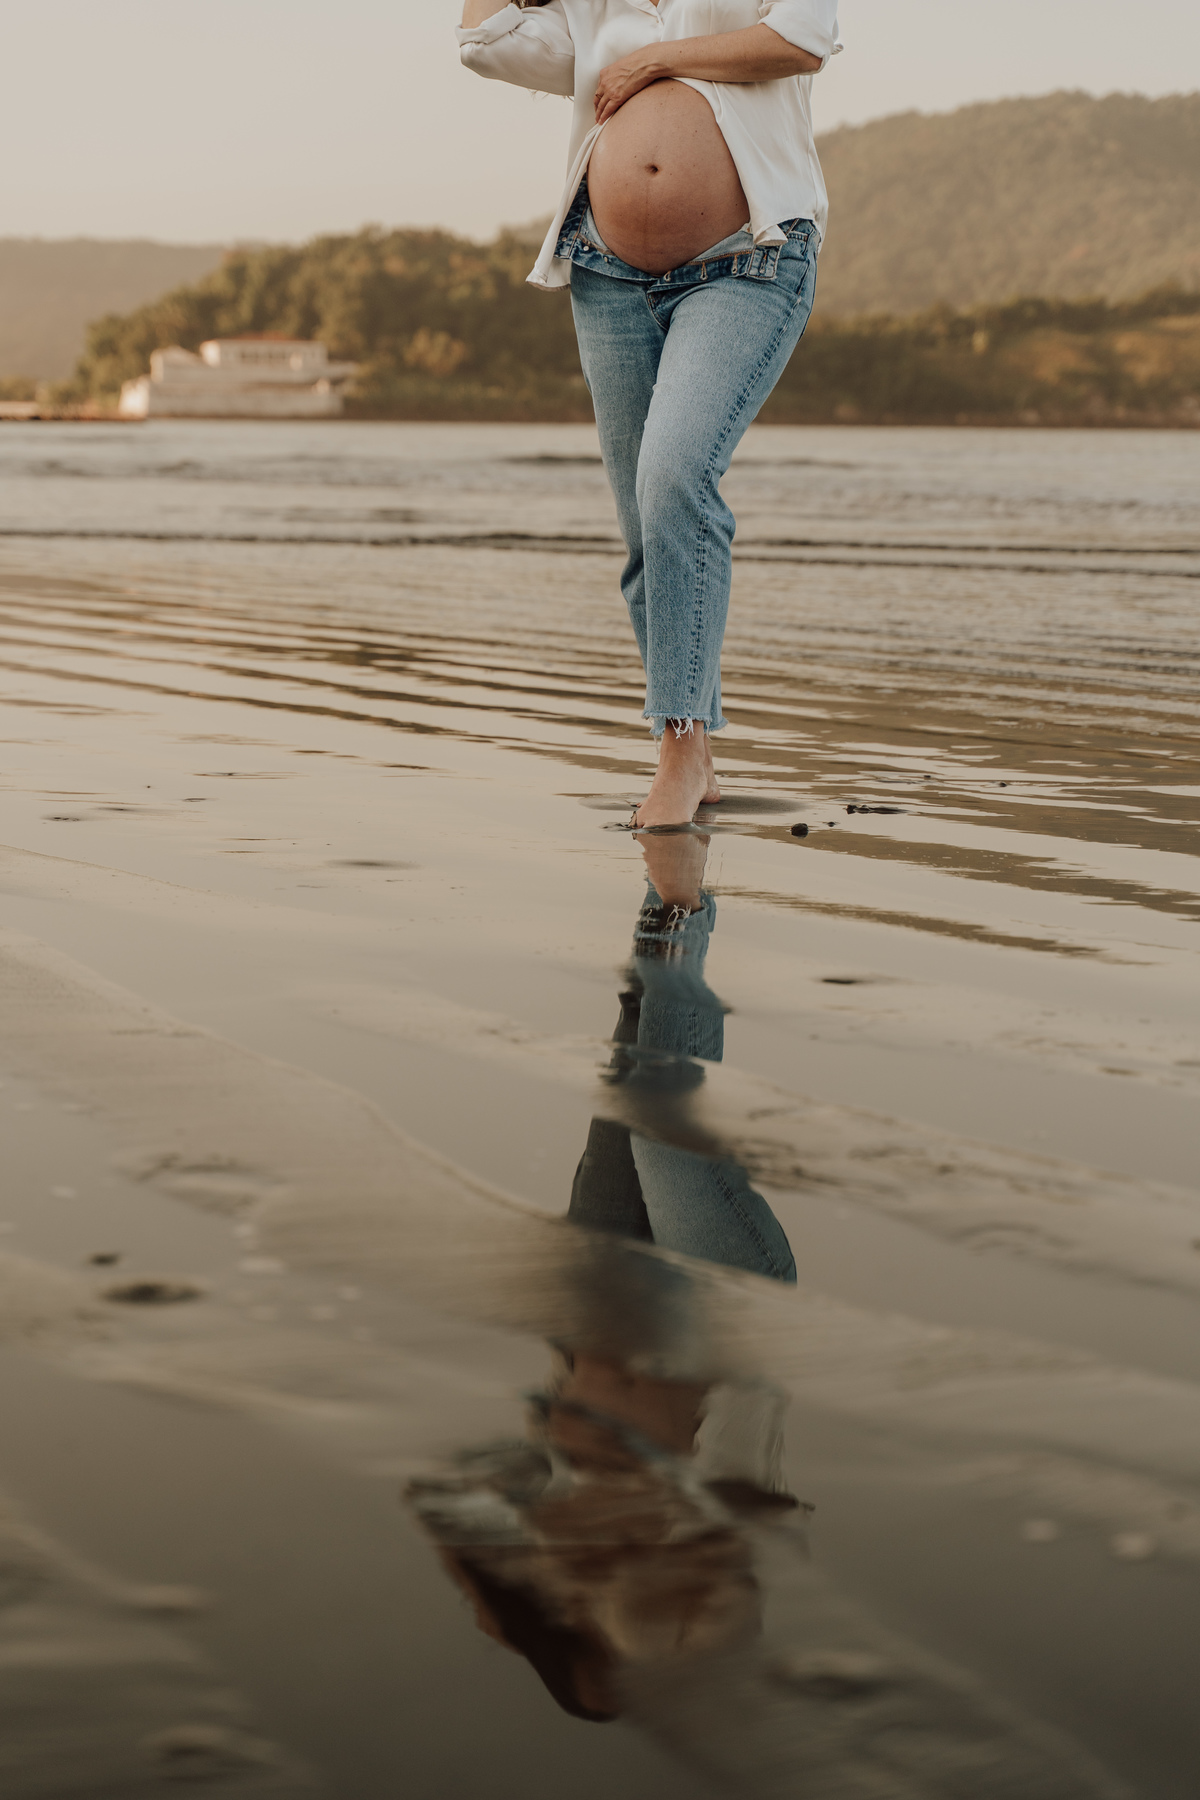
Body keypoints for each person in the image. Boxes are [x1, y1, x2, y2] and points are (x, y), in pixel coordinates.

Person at [456, 0, 842, 825]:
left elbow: (802, 40)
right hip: (608, 275)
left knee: (674, 477)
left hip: (749, 259)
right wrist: (627, 55)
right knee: (644, 526)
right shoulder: (603, 8)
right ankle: (688, 747)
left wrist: (656, 64)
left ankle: (678, 740)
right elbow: (487, 46)